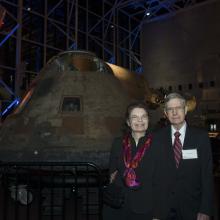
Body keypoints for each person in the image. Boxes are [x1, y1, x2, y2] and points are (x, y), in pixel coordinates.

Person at [152, 92, 214, 220]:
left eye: (178, 108)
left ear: (185, 110)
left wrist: (205, 209)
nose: (174, 112)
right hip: (164, 210)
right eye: (170, 109)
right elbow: (153, 173)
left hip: (193, 209)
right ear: (165, 113)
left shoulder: (201, 137)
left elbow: (207, 176)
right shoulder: (157, 138)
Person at [103, 101, 154, 220]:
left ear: (148, 120)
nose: (140, 121)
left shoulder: (158, 144)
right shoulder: (118, 143)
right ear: (128, 122)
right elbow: (112, 174)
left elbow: (162, 181)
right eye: (134, 117)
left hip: (146, 207)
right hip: (119, 206)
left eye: (143, 117)